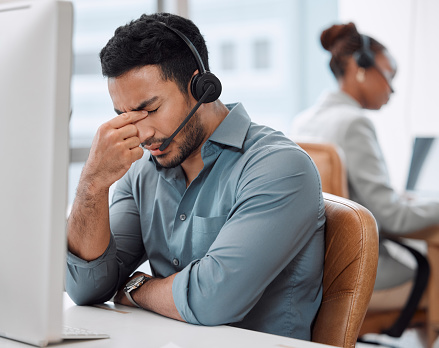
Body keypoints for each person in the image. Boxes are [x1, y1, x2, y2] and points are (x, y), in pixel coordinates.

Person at [66, 12, 325, 340]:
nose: (141, 134)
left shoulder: (279, 167)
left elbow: (212, 300)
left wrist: (136, 288)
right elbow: (86, 287)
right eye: (125, 116)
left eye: (150, 109)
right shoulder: (143, 175)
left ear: (201, 87)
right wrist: (93, 183)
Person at [291, 22, 439, 312]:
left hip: (319, 269)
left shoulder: (305, 121)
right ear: (361, 68)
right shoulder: (354, 123)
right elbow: (394, 219)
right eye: (389, 75)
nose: (392, 89)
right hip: (357, 271)